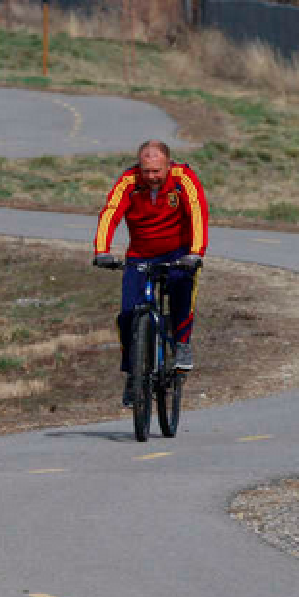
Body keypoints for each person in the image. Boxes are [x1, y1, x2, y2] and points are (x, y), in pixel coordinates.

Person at [92, 140, 209, 406]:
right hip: (140, 255)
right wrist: (102, 250)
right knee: (127, 315)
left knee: (182, 291)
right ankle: (132, 375)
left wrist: (195, 253)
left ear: (169, 165)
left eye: (157, 171)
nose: (151, 177)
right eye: (146, 171)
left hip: (179, 254)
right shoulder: (129, 181)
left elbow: (198, 212)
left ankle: (182, 345)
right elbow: (110, 213)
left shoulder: (183, 179)